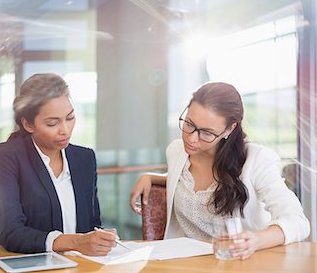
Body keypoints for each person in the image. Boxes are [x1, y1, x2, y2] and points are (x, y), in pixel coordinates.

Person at [130, 82, 310, 260]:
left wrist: (256, 240)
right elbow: (187, 181)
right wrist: (152, 177)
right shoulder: (176, 151)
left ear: (229, 129)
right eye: (189, 124)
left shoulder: (255, 160)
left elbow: (297, 222)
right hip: (184, 264)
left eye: (207, 133)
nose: (192, 138)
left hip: (237, 263)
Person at [0, 73, 116, 255]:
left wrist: (101, 239)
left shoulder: (84, 158)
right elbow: (10, 232)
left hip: (81, 265)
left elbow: (92, 224)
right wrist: (76, 242)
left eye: (70, 118)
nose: (65, 130)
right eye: (52, 123)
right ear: (28, 124)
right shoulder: (7, 157)